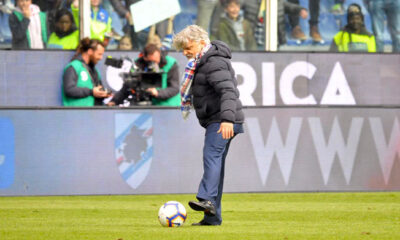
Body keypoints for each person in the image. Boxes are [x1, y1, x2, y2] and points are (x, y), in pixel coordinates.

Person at [173, 25, 244, 226]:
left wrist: (227, 120)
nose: (185, 53)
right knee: (217, 164)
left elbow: (228, 92)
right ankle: (212, 218)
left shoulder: (213, 62)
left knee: (211, 156)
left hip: (222, 119)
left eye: (188, 47)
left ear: (202, 42)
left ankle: (206, 199)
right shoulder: (203, 62)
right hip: (220, 118)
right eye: (182, 50)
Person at [107, 43, 180, 106]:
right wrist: (114, 101)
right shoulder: (137, 65)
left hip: (167, 106)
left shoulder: (171, 63)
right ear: (144, 57)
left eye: (156, 61)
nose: (154, 64)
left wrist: (157, 92)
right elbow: (127, 86)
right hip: (142, 104)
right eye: (150, 62)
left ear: (159, 54)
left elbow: (174, 88)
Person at [62, 38, 111, 106]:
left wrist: (104, 95)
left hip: (95, 113)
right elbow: (69, 90)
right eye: (99, 54)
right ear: (90, 51)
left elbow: (97, 91)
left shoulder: (95, 71)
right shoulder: (74, 67)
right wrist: (91, 92)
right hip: (76, 113)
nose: (101, 58)